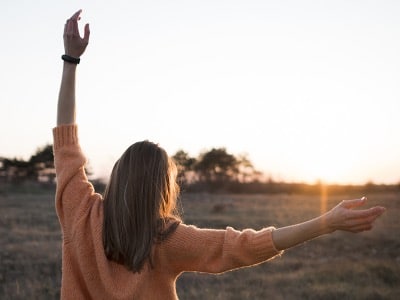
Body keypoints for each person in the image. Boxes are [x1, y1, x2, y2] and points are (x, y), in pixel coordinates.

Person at [54, 10, 386, 300]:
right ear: (161, 190)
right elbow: (244, 247)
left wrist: (71, 59)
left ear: (119, 175)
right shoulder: (166, 239)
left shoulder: (80, 211)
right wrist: (327, 222)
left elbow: (66, 139)